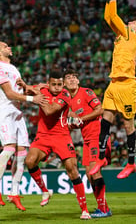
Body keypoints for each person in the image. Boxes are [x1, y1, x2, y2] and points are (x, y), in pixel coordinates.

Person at [90, 0, 136, 179]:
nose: (129, 22)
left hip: (127, 85)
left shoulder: (131, 35)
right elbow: (109, 17)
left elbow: (113, 17)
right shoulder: (123, 36)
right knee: (105, 120)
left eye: (133, 22)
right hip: (113, 84)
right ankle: (101, 157)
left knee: (128, 125)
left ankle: (131, 163)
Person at [25, 70, 91, 220]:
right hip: (43, 135)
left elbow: (49, 111)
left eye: (59, 84)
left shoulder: (65, 95)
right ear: (48, 84)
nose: (57, 87)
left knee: (72, 169)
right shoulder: (43, 89)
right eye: (53, 84)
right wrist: (26, 86)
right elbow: (28, 88)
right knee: (29, 161)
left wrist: (38, 97)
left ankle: (84, 209)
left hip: (61, 136)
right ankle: (45, 191)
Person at [0, 41, 46, 211]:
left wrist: (32, 88)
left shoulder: (13, 68)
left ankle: (14, 192)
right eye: (6, 47)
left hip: (17, 112)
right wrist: (31, 99)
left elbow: (19, 91)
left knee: (22, 153)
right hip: (5, 111)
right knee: (9, 149)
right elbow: (9, 94)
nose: (10, 48)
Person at [63, 69, 112, 218]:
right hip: (87, 140)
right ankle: (103, 208)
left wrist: (81, 119)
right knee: (89, 175)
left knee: (94, 171)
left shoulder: (86, 92)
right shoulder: (68, 100)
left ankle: (103, 209)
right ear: (64, 83)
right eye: (68, 78)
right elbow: (77, 121)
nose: (71, 79)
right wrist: (73, 124)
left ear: (78, 81)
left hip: (97, 136)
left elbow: (100, 110)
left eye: (74, 77)